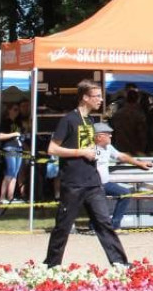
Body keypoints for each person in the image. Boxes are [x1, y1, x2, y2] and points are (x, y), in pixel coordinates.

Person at [44, 80, 129, 268]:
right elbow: (52, 149)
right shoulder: (68, 120)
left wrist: (99, 149)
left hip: (93, 181)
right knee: (63, 226)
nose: (101, 100)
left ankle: (120, 263)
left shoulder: (91, 121)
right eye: (97, 96)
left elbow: (90, 148)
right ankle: (51, 265)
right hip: (73, 182)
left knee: (104, 222)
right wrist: (80, 152)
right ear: (85, 97)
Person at [92, 122, 153, 229]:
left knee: (125, 194)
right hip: (92, 185)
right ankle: (94, 227)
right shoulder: (89, 149)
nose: (111, 135)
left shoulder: (108, 147)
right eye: (108, 133)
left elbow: (122, 156)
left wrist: (139, 163)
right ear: (99, 137)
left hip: (105, 184)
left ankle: (114, 225)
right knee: (97, 202)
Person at [0, 103, 25, 204]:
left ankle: (10, 197)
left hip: (19, 148)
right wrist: (14, 134)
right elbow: (0, 136)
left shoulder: (18, 123)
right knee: (10, 171)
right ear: (9, 110)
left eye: (18, 110)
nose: (17, 112)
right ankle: (2, 197)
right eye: (15, 109)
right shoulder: (5, 122)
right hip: (9, 147)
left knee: (15, 173)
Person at [110, 89, 147, 154]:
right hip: (135, 149)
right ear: (137, 99)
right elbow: (141, 133)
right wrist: (142, 148)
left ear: (126, 99)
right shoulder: (139, 114)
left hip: (120, 148)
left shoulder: (118, 113)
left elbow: (113, 131)